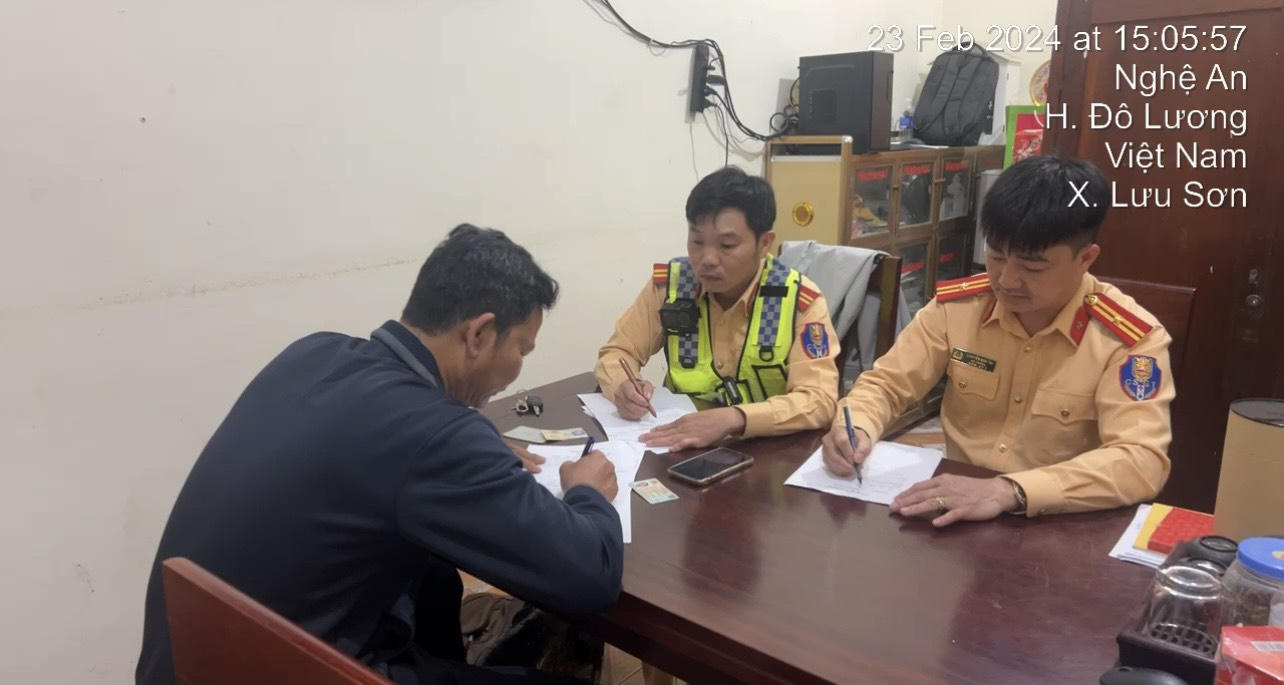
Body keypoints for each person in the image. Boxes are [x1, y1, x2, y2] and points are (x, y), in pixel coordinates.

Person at [136, 225, 623, 684]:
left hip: (195, 660)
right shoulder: (436, 436)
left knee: (435, 580)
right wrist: (586, 492)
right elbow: (591, 577)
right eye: (522, 349)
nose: (519, 366)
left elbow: (377, 449)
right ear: (478, 335)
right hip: (301, 668)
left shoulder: (312, 354)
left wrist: (468, 445)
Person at [821, 156, 1172, 526]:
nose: (1006, 280)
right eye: (996, 256)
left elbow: (1140, 460)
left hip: (1060, 521)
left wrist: (1010, 491)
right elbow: (887, 384)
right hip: (956, 511)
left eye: (1032, 267)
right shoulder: (957, 308)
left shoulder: (1128, 339)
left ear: (1085, 258)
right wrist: (857, 425)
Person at [594, 167, 840, 451]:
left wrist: (737, 418)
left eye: (727, 245)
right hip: (679, 448)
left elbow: (819, 399)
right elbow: (618, 352)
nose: (707, 259)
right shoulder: (671, 287)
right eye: (697, 241)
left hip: (768, 454)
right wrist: (623, 386)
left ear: (764, 244)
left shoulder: (797, 300)